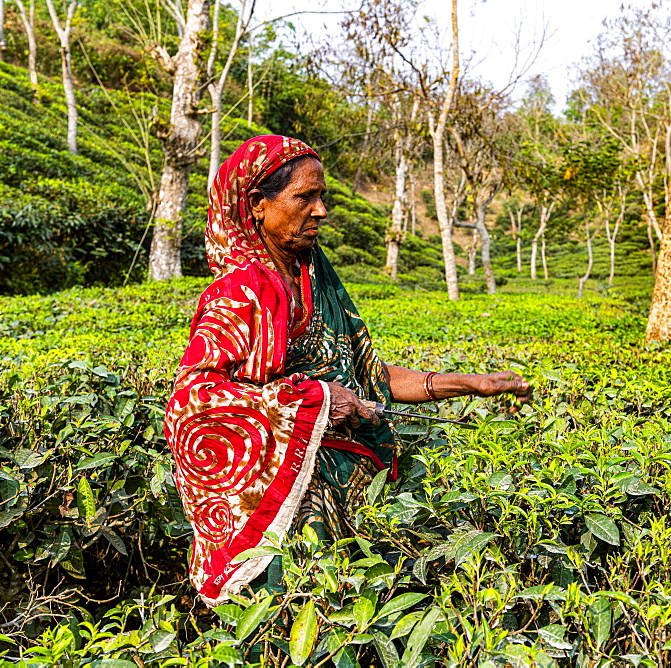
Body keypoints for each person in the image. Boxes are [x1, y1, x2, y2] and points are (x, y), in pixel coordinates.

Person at [165, 135, 531, 605]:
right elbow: (192, 401)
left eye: (322, 197)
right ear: (257, 204)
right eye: (304, 197)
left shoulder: (312, 275)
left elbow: (368, 375)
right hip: (288, 501)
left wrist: (471, 384)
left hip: (347, 479)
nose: (320, 210)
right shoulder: (240, 294)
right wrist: (315, 402)